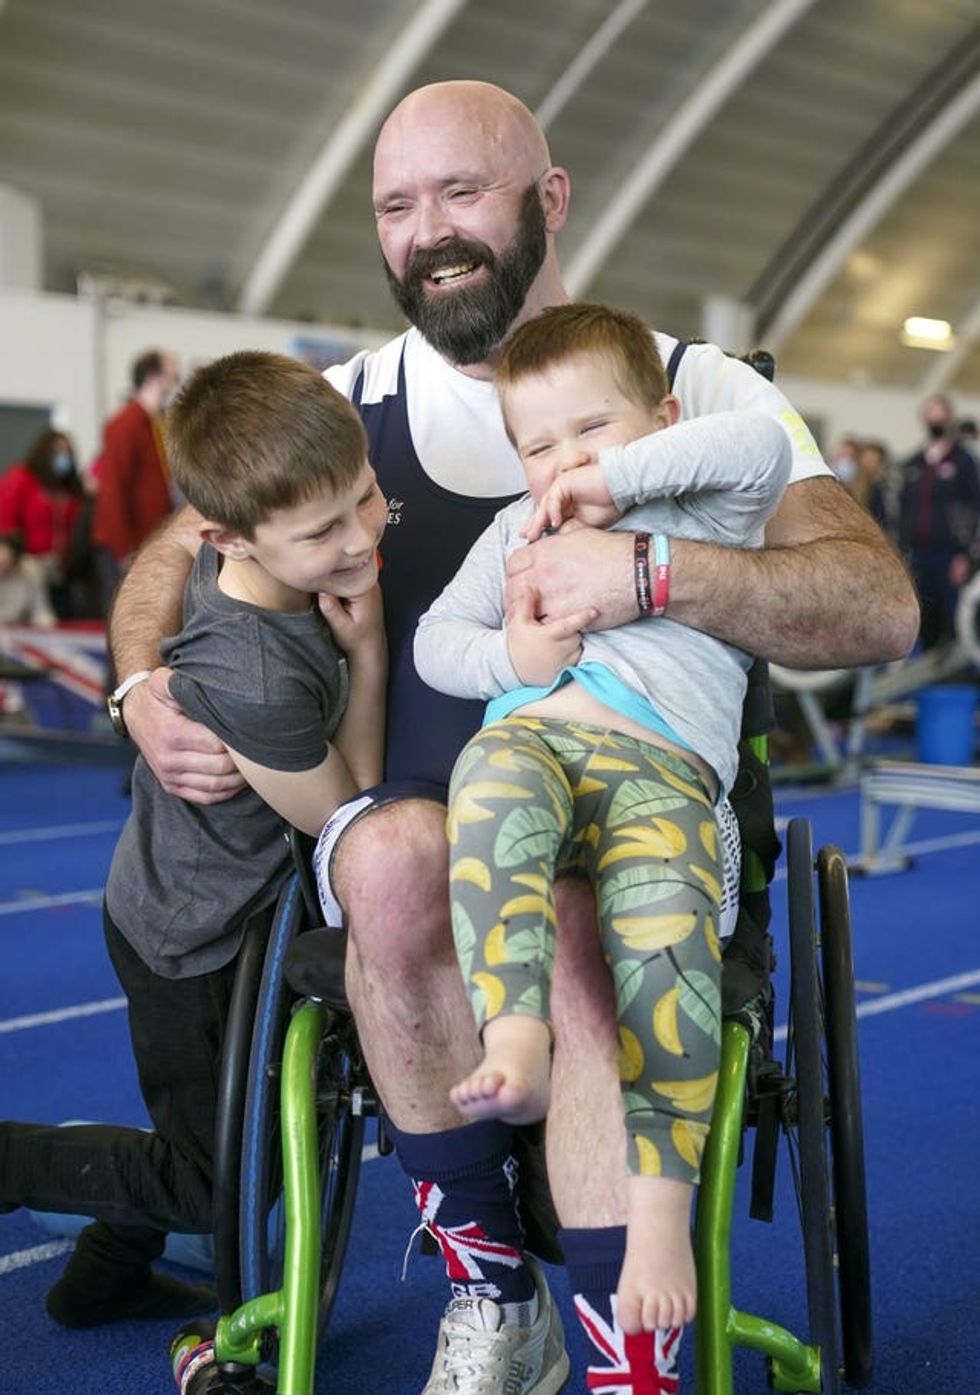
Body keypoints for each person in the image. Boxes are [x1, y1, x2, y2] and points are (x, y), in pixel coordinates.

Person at [106, 81, 918, 1395]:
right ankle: (495, 1300)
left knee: (586, 923)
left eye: (463, 192)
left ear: (551, 199)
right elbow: (169, 549)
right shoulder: (341, 397)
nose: (429, 229)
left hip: (647, 807)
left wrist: (655, 573)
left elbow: (877, 605)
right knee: (386, 858)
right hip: (444, 821)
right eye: (395, 203)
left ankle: (624, 1349)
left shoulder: (695, 390)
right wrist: (140, 683)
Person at [415, 302, 791, 1336]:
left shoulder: (704, 507)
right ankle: (516, 1031)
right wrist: (513, 662)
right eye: (539, 446)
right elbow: (433, 640)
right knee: (482, 783)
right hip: (535, 743)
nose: (565, 463)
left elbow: (759, 443)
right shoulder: (517, 530)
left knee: (663, 956)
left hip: (661, 777)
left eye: (594, 429)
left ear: (663, 418)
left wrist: (616, 482)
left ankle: (659, 1216)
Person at [0, 351, 387, 1329]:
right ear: (226, 538)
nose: (362, 539)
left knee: (209, 1139)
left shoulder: (272, 561)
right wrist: (370, 655)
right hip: (188, 936)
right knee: (217, 1185)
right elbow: (348, 815)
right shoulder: (252, 674)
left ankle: (102, 1275)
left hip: (212, 898)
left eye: (367, 499)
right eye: (323, 530)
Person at [90, 349, 181, 616]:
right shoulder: (125, 425)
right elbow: (113, 492)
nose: (176, 383)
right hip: (127, 546)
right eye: (172, 376)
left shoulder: (158, 424)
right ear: (153, 378)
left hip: (149, 540)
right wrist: (123, 550)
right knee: (126, 621)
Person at [896, 393, 980, 650]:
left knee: (953, 618)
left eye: (940, 418)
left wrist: (966, 554)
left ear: (949, 419)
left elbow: (975, 507)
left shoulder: (963, 461)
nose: (935, 423)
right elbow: (903, 507)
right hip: (918, 553)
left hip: (950, 554)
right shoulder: (914, 463)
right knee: (924, 616)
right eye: (930, 417)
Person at [0, 427, 87, 617]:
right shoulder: (20, 479)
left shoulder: (71, 489)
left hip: (63, 572)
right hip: (27, 568)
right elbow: (5, 523)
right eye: (58, 452)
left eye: (67, 453)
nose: (63, 458)